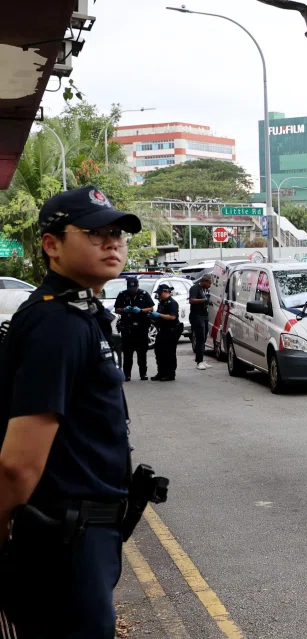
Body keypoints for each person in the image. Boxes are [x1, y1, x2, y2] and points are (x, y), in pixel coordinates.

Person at [0, 185, 140, 637]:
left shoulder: (79, 314)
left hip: (83, 535)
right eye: (95, 232)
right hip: (62, 539)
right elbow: (18, 463)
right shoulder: (56, 325)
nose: (112, 242)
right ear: (52, 245)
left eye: (118, 232)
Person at [114, 276, 154, 382]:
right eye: (130, 288)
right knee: (127, 353)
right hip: (127, 328)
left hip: (141, 327)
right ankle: (127, 375)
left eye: (134, 288)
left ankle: (143, 373)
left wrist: (140, 310)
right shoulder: (122, 294)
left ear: (137, 286)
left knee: (142, 353)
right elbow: (117, 309)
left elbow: (151, 307)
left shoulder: (144, 294)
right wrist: (124, 310)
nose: (132, 290)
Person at [149, 284, 180, 382]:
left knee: (169, 353)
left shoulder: (172, 303)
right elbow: (159, 316)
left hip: (170, 331)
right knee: (159, 352)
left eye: (160, 293)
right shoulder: (161, 302)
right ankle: (161, 372)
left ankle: (170, 374)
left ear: (166, 292)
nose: (159, 295)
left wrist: (159, 315)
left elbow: (172, 317)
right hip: (162, 330)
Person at [188, 274, 213, 371]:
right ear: (204, 281)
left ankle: (201, 359)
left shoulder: (204, 290)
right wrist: (204, 300)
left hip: (204, 316)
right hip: (197, 316)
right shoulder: (195, 288)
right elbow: (191, 300)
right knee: (200, 338)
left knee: (204, 338)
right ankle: (199, 362)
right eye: (209, 283)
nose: (210, 285)